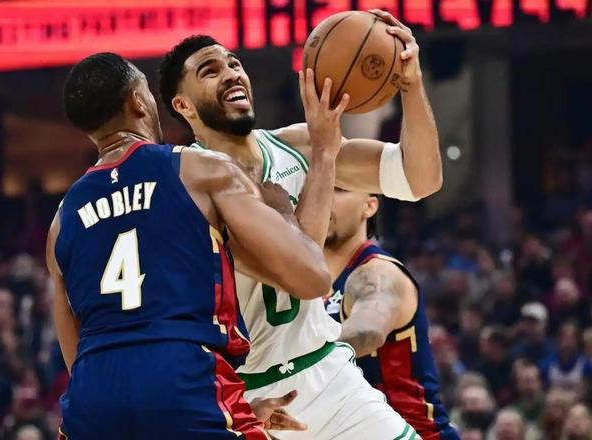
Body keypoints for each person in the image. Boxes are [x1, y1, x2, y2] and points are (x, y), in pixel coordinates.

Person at [157, 9, 440, 439]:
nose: (231, 73)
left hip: (329, 373)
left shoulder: (296, 145)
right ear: (182, 105)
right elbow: (300, 274)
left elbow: (420, 177)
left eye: (234, 63)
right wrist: (325, 152)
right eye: (210, 71)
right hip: (251, 399)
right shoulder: (189, 187)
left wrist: (412, 85)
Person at [48, 52, 336, 439]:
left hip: (93, 398)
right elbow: (312, 277)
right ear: (138, 101)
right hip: (184, 377)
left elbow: (74, 347)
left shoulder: (61, 219)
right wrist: (283, 211)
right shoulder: (200, 170)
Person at [324, 189, 457, 440]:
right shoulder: (302, 284)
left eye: (339, 190)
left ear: (369, 206)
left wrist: (296, 358)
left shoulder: (377, 273)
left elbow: (368, 331)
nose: (323, 196)